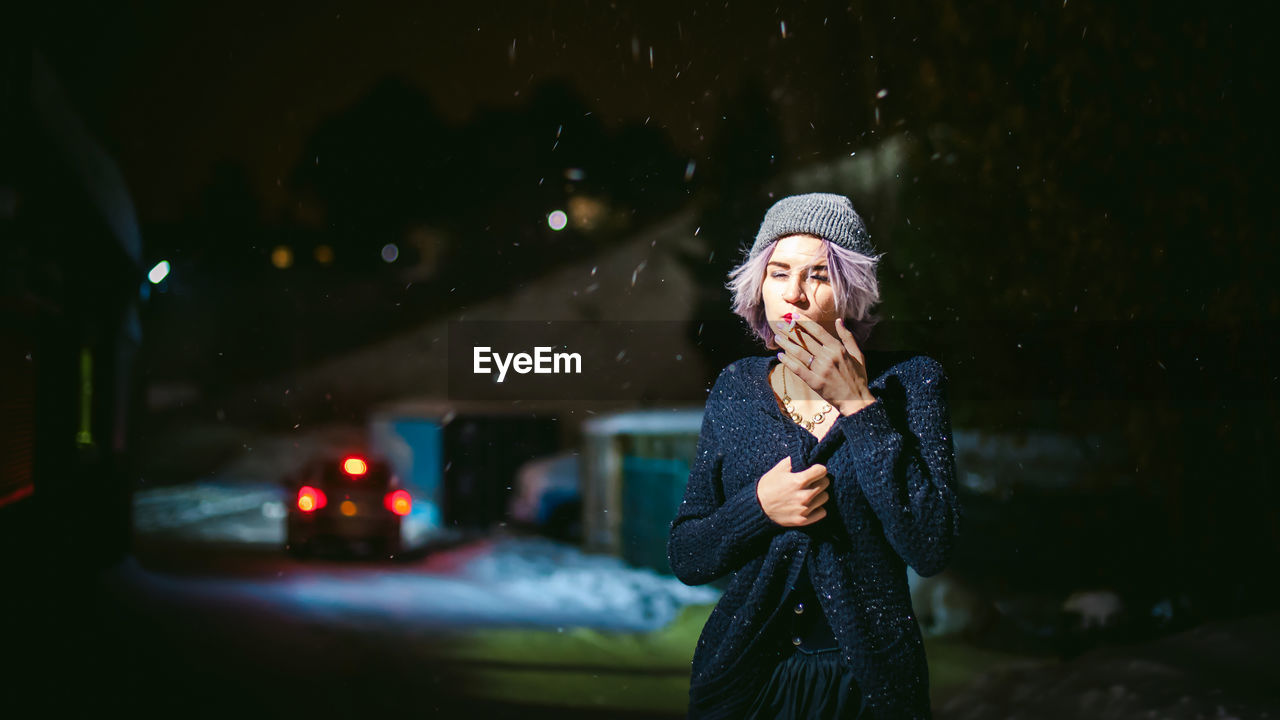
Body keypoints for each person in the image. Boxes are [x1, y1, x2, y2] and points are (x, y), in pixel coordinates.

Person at [667, 193, 962, 719]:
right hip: (748, 687)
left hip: (869, 690)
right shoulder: (735, 389)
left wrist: (858, 405)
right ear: (759, 283)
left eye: (818, 276)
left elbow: (932, 543)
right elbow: (688, 554)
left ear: (851, 289)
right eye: (779, 273)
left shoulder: (911, 382)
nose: (794, 296)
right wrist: (758, 509)